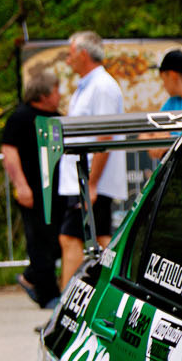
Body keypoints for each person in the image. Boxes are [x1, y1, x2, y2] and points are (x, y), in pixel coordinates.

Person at [58, 31, 127, 286]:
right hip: (82, 178)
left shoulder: (102, 86)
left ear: (83, 54)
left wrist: (92, 183)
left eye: (71, 54)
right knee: (100, 238)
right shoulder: (88, 86)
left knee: (72, 238)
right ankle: (112, 290)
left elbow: (104, 136)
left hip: (89, 179)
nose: (68, 60)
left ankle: (67, 301)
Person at [0, 69, 62, 306]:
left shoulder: (56, 117)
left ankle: (31, 277)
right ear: (43, 95)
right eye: (56, 91)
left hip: (57, 190)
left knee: (57, 239)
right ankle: (48, 294)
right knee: (40, 240)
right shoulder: (20, 117)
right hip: (33, 190)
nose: (59, 95)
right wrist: (21, 185)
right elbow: (9, 151)